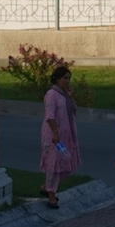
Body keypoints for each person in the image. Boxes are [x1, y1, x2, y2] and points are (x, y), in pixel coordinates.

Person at [39, 64, 78, 208]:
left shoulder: (64, 96)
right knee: (53, 164)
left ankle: (47, 187)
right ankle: (51, 195)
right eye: (64, 78)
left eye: (68, 78)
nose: (67, 81)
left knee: (67, 163)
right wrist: (55, 133)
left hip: (65, 135)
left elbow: (74, 110)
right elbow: (50, 115)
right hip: (53, 135)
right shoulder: (51, 94)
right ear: (56, 79)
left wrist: (70, 97)